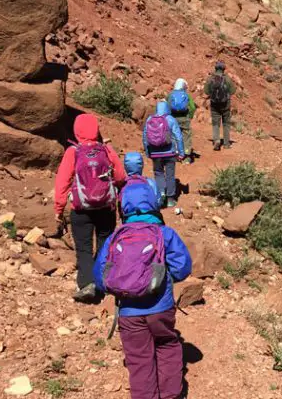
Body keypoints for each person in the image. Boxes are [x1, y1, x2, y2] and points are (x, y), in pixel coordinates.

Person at [94, 153, 192, 399]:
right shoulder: (164, 233)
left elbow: (100, 278)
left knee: (138, 359)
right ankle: (171, 395)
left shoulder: (116, 237)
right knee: (167, 346)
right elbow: (183, 267)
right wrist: (163, 277)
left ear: (123, 205)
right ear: (153, 202)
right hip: (161, 306)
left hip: (128, 312)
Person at [54, 113, 126, 302]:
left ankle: (87, 284)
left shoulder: (73, 152)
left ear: (77, 131)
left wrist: (59, 209)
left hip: (81, 208)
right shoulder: (106, 150)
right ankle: (103, 283)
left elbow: (62, 181)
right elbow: (120, 176)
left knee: (84, 248)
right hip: (105, 207)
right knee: (104, 245)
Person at [143, 101, 185, 208]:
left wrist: (148, 152)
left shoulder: (149, 119)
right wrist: (181, 153)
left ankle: (161, 195)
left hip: (155, 153)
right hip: (170, 153)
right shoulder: (170, 119)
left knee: (158, 173)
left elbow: (145, 137)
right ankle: (170, 200)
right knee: (170, 175)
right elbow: (178, 137)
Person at [204, 61, 236, 151]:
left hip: (214, 104)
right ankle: (226, 144)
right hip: (225, 104)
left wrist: (213, 94)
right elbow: (233, 91)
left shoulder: (210, 79)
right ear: (224, 69)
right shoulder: (227, 79)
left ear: (215, 68)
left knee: (215, 123)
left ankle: (216, 140)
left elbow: (206, 91)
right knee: (226, 124)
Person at [168, 78, 197, 164]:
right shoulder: (186, 95)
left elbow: (167, 106)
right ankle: (186, 158)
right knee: (186, 137)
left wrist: (169, 117)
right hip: (185, 119)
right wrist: (189, 116)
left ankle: (175, 155)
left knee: (174, 136)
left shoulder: (170, 95)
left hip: (173, 119)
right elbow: (193, 107)